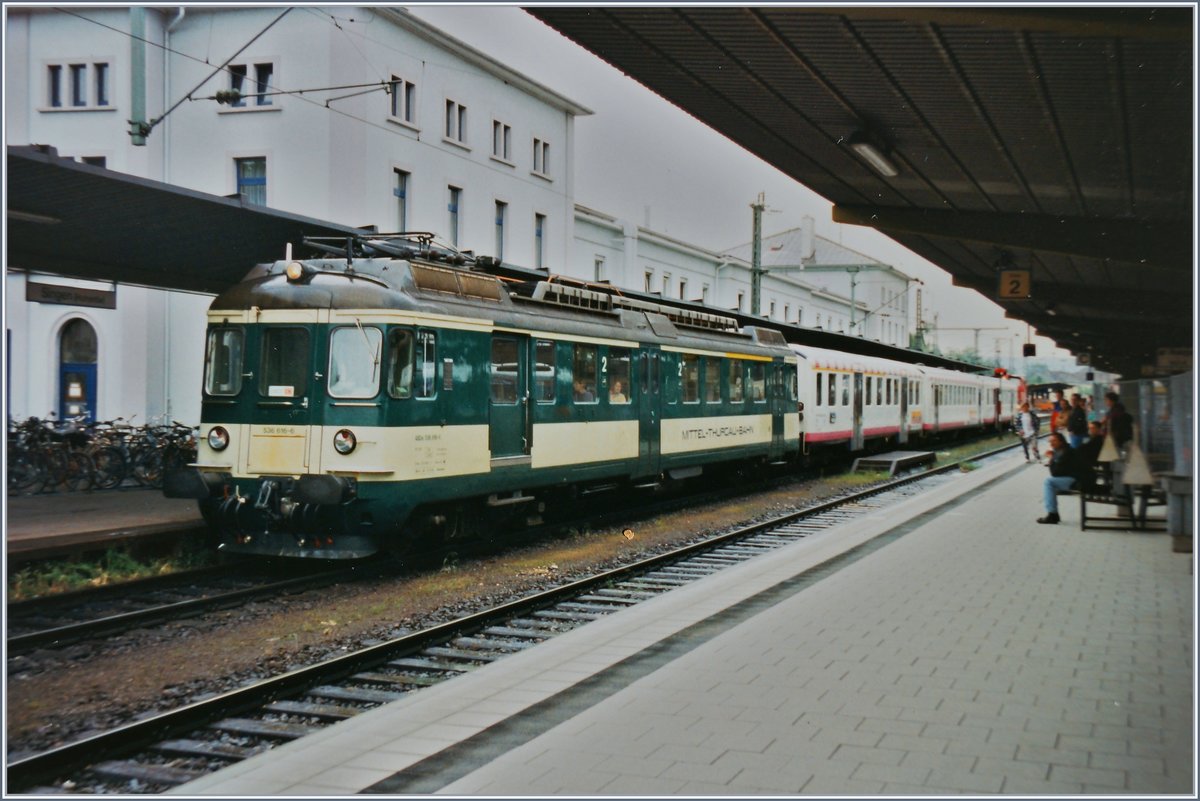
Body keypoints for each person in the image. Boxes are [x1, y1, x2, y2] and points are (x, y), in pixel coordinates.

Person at [1038, 432, 1088, 524]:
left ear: (1061, 441)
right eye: (1050, 441)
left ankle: (1052, 514)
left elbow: (1054, 473)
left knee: (1049, 482)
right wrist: (1053, 458)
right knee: (1050, 484)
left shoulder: (1065, 452)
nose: (1051, 443)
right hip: (1075, 477)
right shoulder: (1064, 449)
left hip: (1077, 480)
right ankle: (1053, 513)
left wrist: (1051, 459)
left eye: (1054, 441)